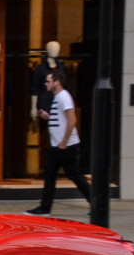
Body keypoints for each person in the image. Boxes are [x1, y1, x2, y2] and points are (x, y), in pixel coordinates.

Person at [27, 67, 91, 215]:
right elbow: (62, 120)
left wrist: (64, 141)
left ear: (57, 82)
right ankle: (44, 208)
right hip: (58, 146)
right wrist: (49, 117)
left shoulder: (63, 97)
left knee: (73, 175)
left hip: (65, 146)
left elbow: (72, 119)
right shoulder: (59, 97)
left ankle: (95, 202)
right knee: (51, 175)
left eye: (48, 81)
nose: (45, 84)